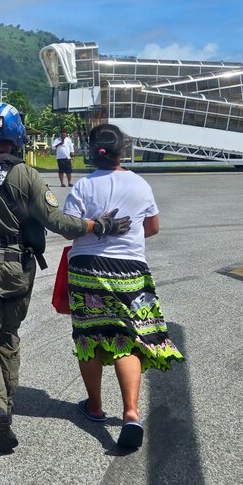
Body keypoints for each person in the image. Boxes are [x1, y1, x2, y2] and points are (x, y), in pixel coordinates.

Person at [0, 103, 131, 453]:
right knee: (8, 335)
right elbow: (57, 221)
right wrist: (99, 226)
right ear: (16, 134)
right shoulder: (27, 175)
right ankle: (6, 403)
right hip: (18, 270)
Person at [62, 123, 184, 450]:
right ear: (122, 151)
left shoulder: (83, 187)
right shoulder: (140, 184)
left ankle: (95, 406)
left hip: (87, 270)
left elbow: (69, 230)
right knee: (126, 339)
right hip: (130, 271)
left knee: (89, 337)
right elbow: (153, 227)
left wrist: (96, 230)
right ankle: (131, 413)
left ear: (91, 151)